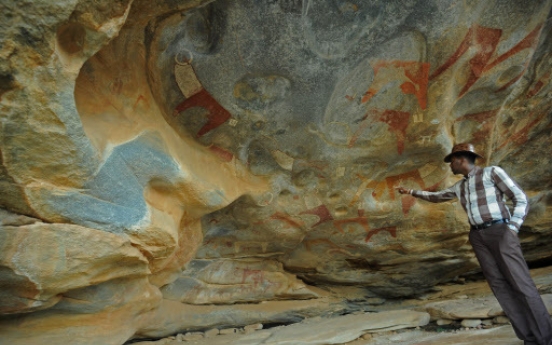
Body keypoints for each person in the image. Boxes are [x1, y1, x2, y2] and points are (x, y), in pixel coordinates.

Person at [397, 143, 552, 345]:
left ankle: (546, 339)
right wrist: (411, 192)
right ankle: (529, 338)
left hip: (500, 231)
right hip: (478, 236)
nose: (450, 166)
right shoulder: (460, 186)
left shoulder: (492, 172)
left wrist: (512, 228)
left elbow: (521, 198)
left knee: (521, 283)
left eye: (451, 161)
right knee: (499, 287)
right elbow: (437, 197)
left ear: (462, 159)